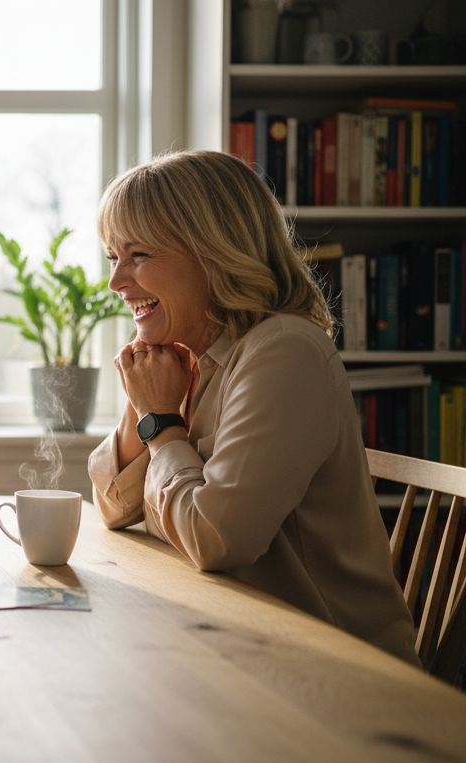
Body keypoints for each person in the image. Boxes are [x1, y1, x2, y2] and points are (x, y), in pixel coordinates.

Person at [87, 150, 419, 666]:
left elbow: (216, 539)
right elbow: (111, 505)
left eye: (139, 255)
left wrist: (161, 422)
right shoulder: (188, 357)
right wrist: (146, 404)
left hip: (333, 671)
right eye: (113, 258)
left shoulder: (285, 351)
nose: (117, 283)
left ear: (214, 250)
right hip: (235, 641)